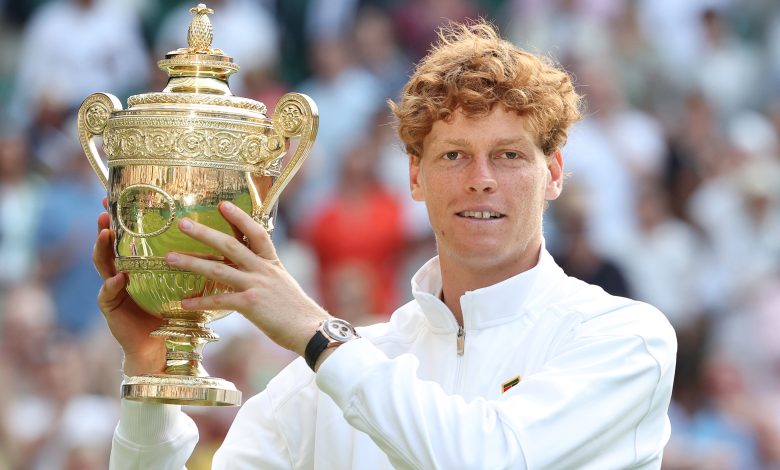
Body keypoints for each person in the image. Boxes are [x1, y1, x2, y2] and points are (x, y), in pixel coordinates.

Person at [94, 22, 677, 469]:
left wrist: (316, 334)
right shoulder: (330, 375)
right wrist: (149, 387)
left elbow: (486, 458)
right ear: (415, 178)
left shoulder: (624, 338)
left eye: (509, 154)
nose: (481, 178)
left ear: (553, 173)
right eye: (453, 154)